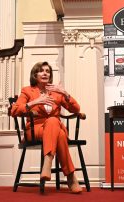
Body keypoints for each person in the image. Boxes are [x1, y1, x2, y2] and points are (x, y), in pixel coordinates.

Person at [11, 61, 83, 194]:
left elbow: (76, 109)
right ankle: (71, 177)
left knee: (54, 124)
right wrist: (34, 102)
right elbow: (14, 111)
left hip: (54, 127)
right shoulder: (27, 90)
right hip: (35, 129)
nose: (45, 73)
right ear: (35, 74)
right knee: (57, 130)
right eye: (41, 70)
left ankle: (48, 161)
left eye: (48, 71)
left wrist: (65, 93)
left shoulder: (56, 92)